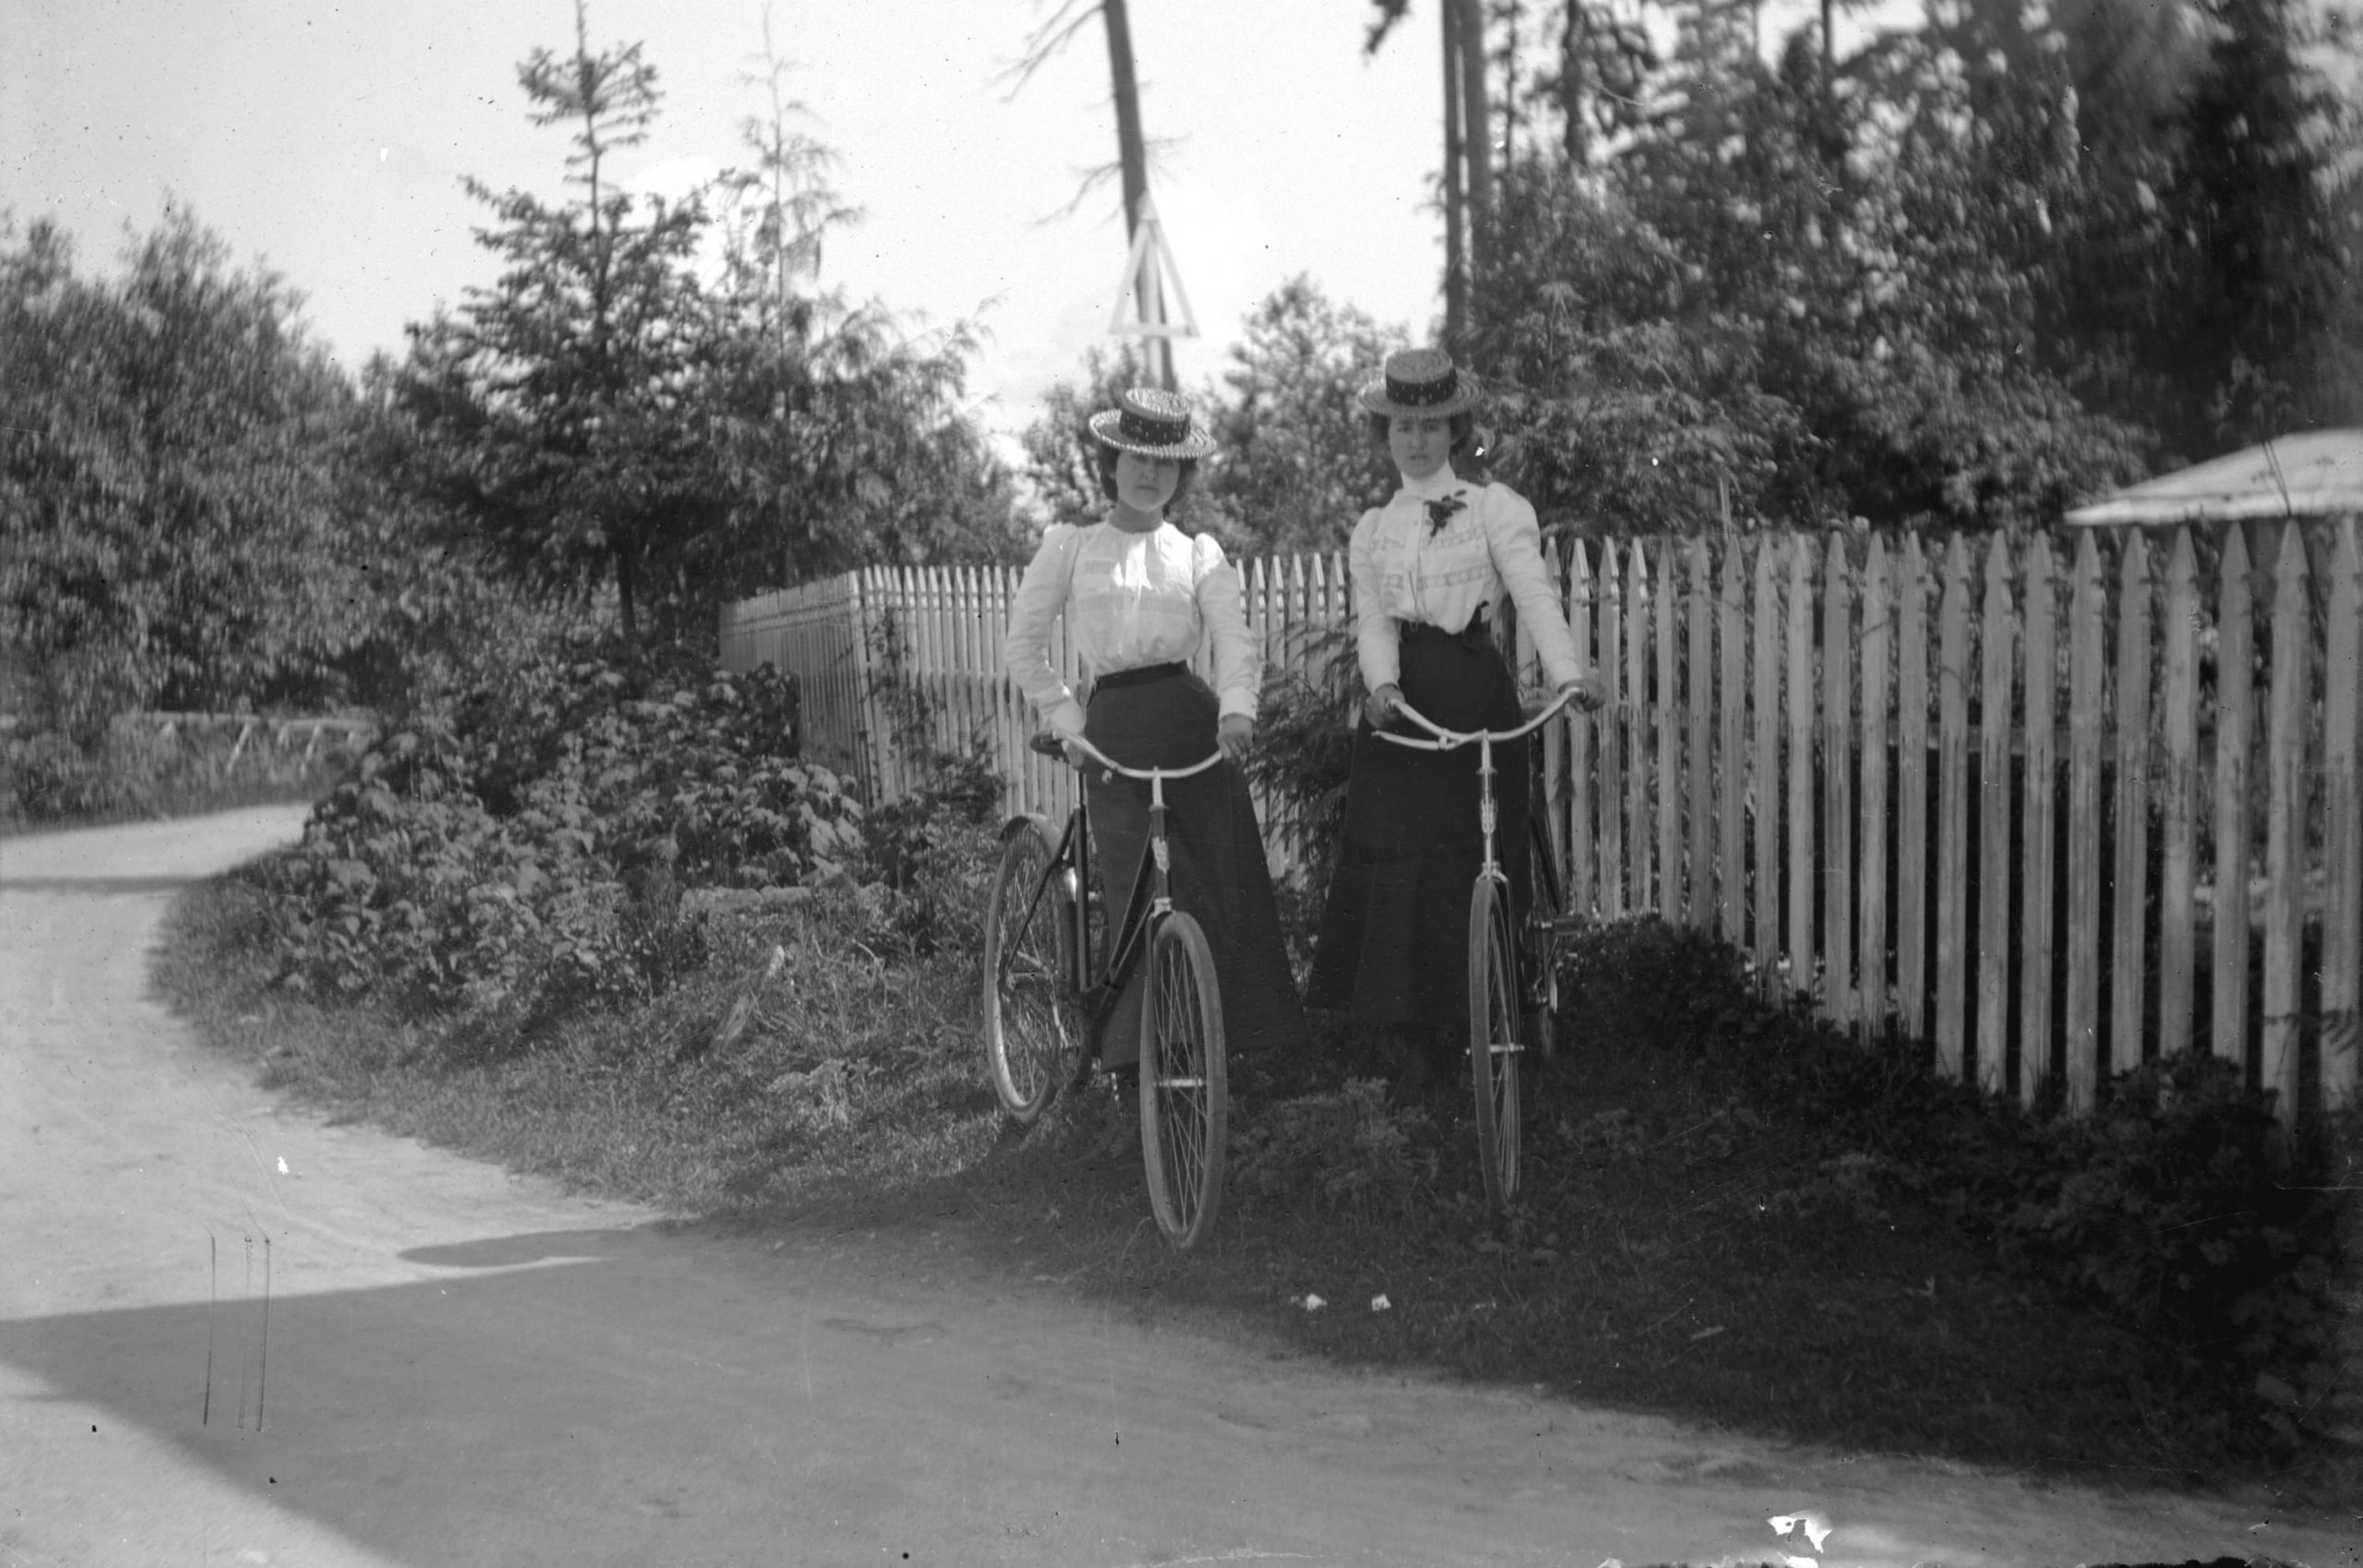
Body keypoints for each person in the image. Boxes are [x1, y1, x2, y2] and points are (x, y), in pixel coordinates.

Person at [1305, 347, 1602, 1093]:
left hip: (1474, 691)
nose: (1416, 440)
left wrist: (1568, 673)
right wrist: (1380, 687)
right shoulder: (1374, 528)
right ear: (1386, 432)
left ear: (1454, 428)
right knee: (1408, 868)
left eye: (1431, 424)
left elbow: (1533, 593)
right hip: (1404, 706)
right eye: (1403, 425)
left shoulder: (1494, 508)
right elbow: (1373, 620)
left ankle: (1498, 1007)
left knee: (1479, 855)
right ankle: (1419, 1045)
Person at [1002, 387, 1308, 1071]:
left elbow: (1232, 637)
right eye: (1136, 458)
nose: (1149, 473)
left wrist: (1236, 708)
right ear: (1111, 463)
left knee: (1215, 883)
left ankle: (1233, 1052)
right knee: (1135, 890)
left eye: (1165, 463)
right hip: (1110, 732)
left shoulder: (1198, 553)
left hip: (1191, 724)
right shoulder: (1072, 547)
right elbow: (1024, 647)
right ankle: (1139, 1059)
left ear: (1182, 474)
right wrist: (1071, 724)